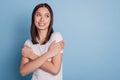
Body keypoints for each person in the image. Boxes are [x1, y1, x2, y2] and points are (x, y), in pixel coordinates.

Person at [20, 3, 64, 80]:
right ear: (33, 18)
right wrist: (48, 54)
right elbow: (23, 71)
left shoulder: (56, 37)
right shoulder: (28, 44)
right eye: (38, 15)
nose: (42, 19)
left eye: (46, 16)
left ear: (50, 20)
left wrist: (31, 55)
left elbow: (55, 70)